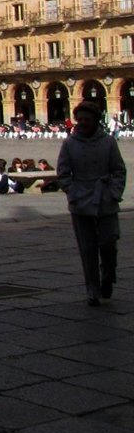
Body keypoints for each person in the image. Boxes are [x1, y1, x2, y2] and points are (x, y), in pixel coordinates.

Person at [58, 102, 126, 306]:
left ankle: (108, 274)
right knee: (87, 248)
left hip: (105, 197)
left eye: (87, 119)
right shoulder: (69, 143)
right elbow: (63, 172)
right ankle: (93, 290)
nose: (83, 123)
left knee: (109, 242)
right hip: (80, 200)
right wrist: (72, 192)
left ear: (96, 120)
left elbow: (119, 170)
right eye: (80, 119)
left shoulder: (108, 142)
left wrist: (114, 193)